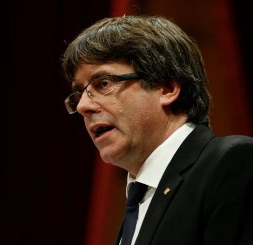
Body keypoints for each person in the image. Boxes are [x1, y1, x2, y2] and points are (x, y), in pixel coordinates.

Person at [61, 15, 253, 245]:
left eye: (103, 84)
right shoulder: (139, 198)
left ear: (167, 87)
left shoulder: (233, 162)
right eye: (80, 93)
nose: (83, 106)